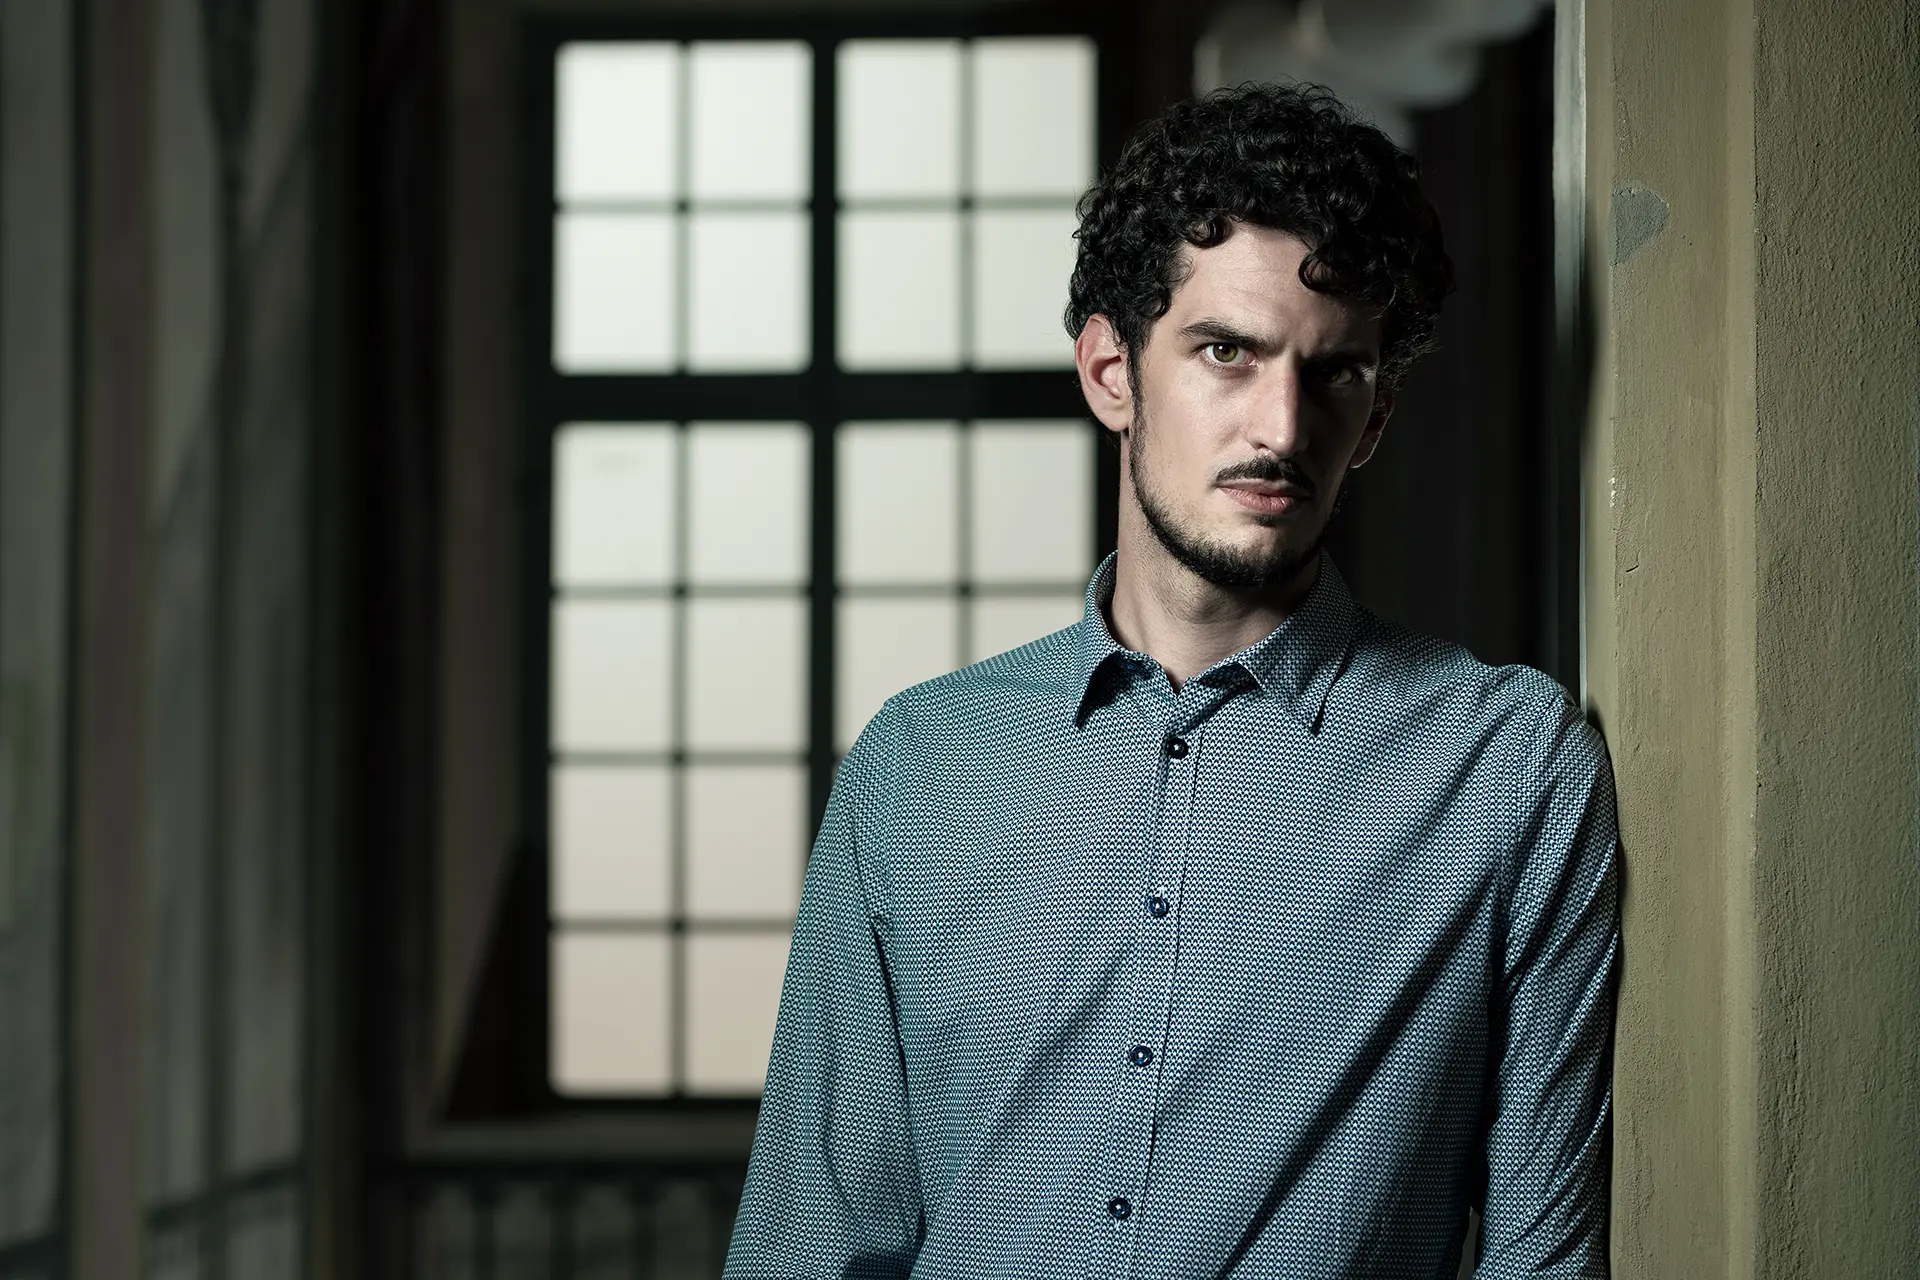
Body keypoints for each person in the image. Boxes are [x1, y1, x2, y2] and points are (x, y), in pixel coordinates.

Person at [724, 83, 1618, 1279]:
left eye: (1335, 373)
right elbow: (814, 1244)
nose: (1282, 425)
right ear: (1110, 371)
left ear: (1377, 417)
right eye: (1227, 352)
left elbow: (1541, 1260)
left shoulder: (1504, 765)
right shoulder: (919, 766)